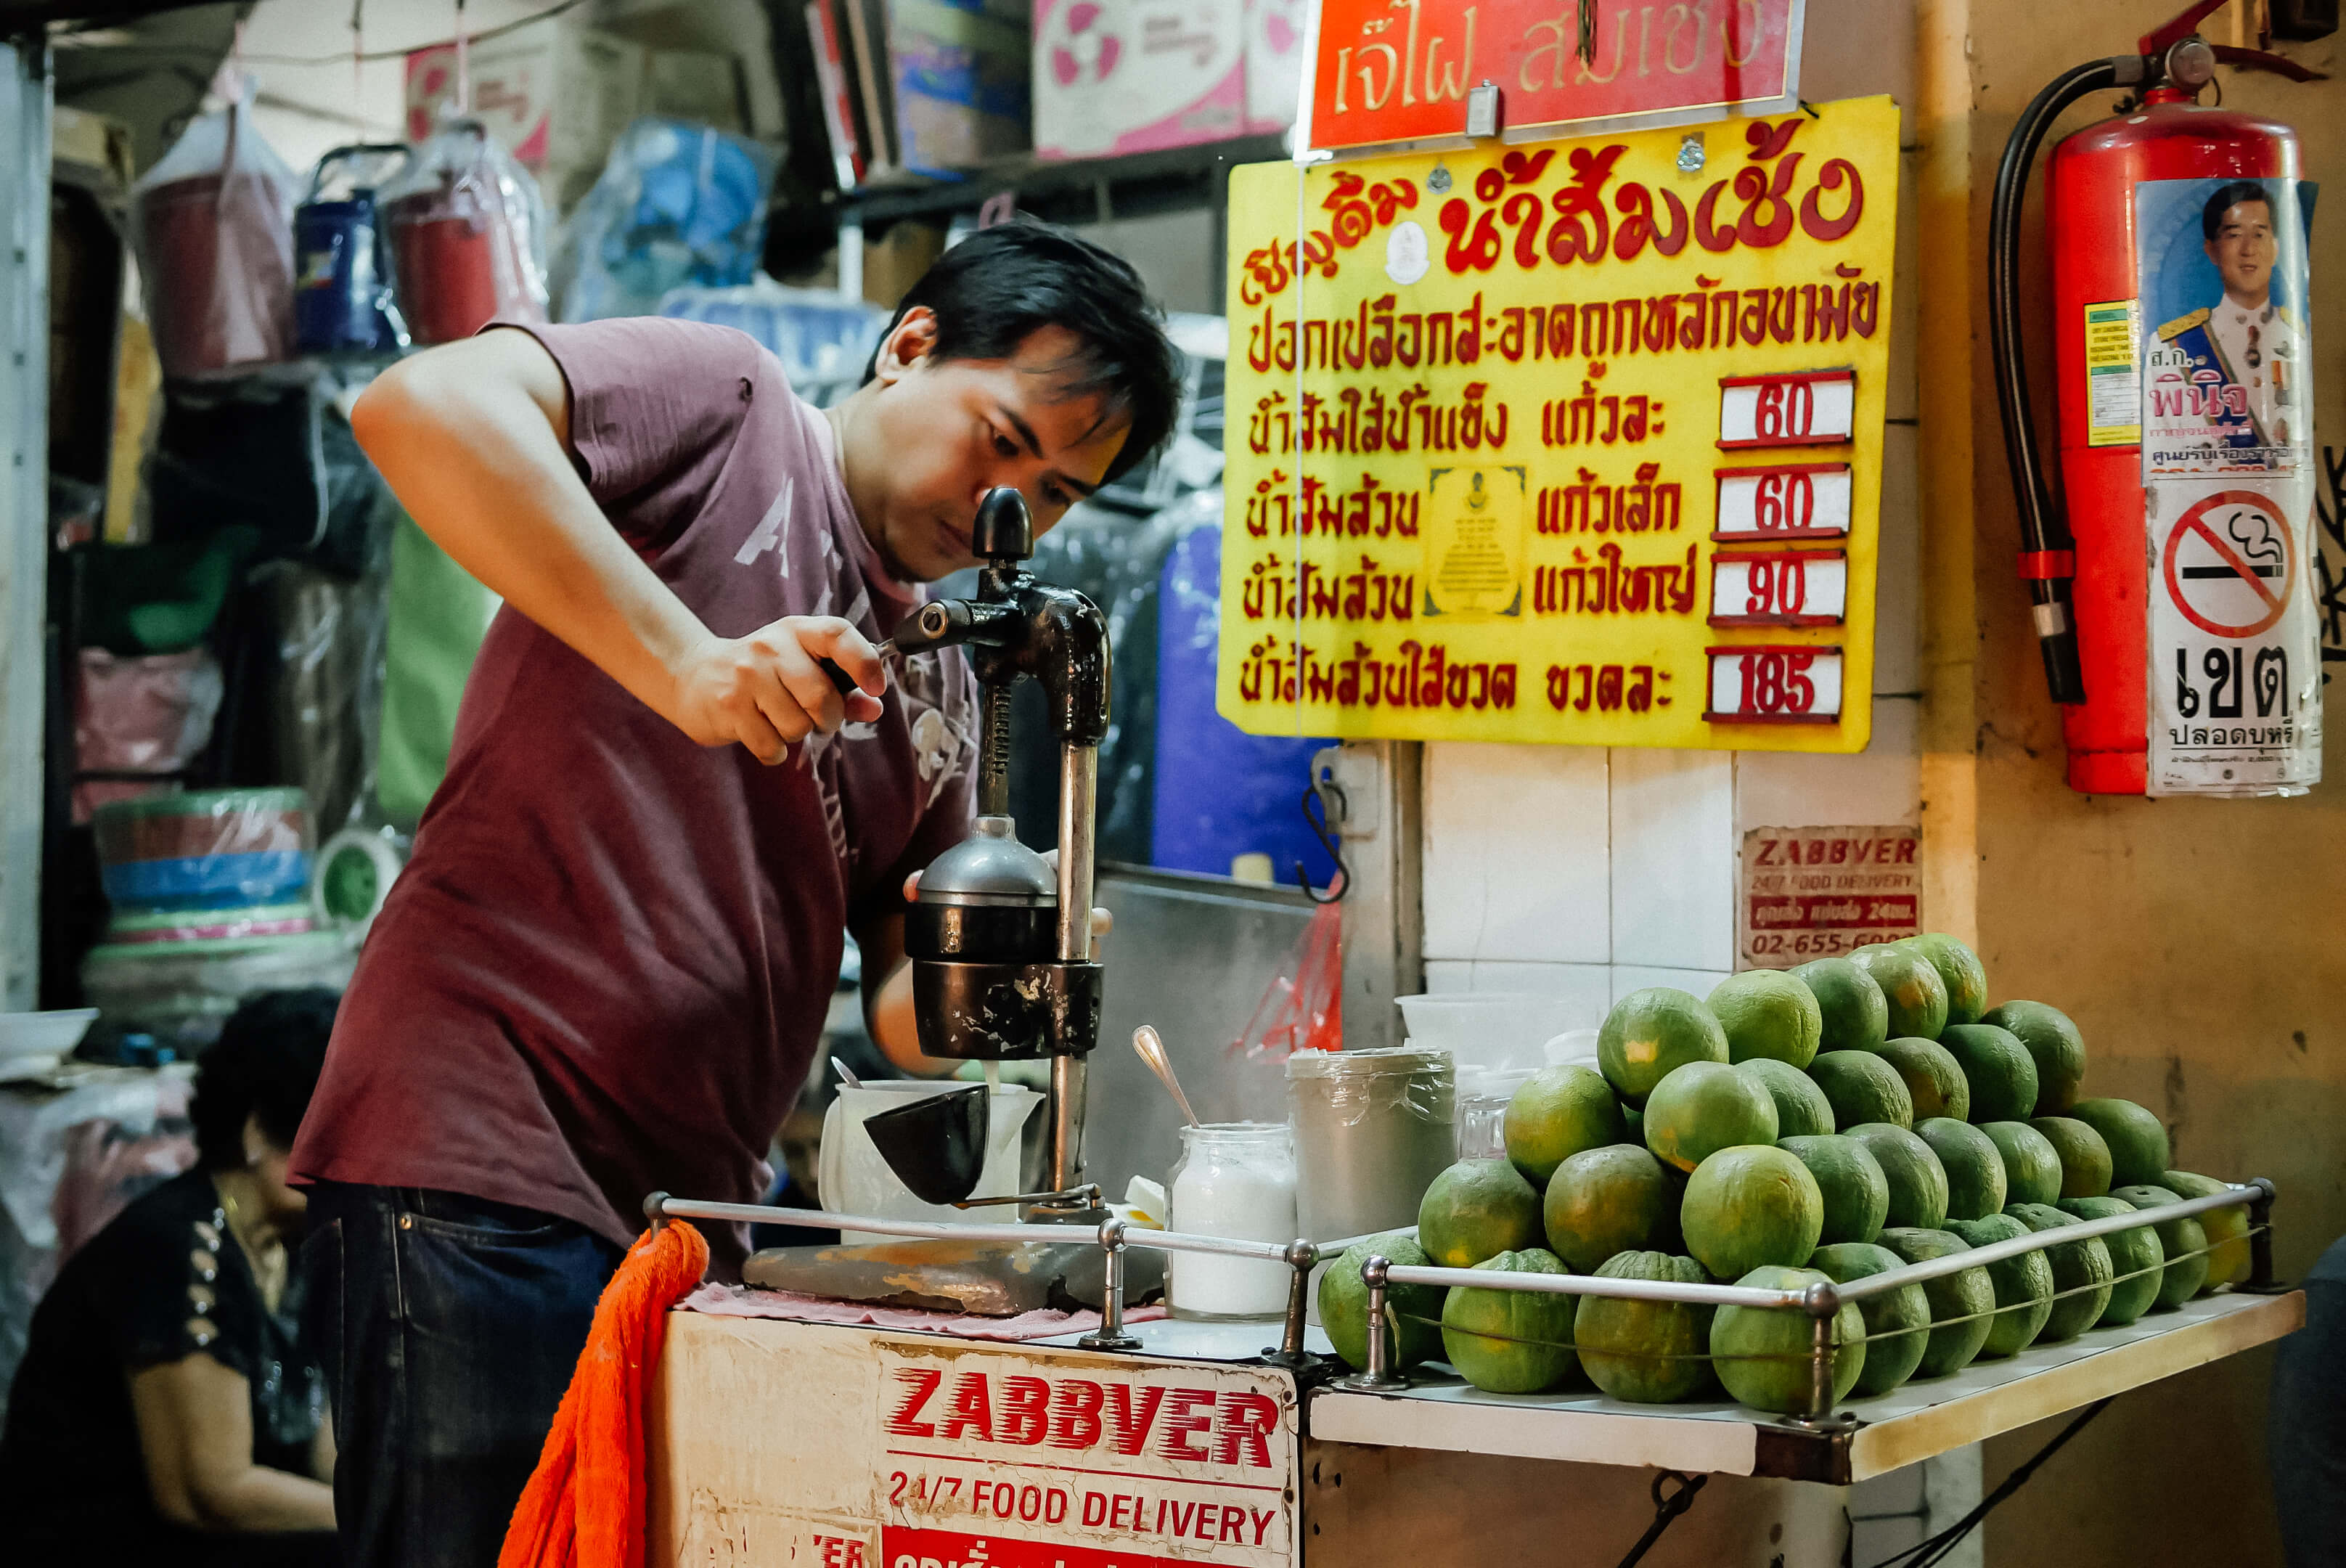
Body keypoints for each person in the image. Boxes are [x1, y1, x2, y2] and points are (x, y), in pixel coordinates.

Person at [288, 221, 1178, 1568]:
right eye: (1000, 442)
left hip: (689, 1214)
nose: (1007, 512)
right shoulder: (731, 406)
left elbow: (893, 1008)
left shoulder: (934, 676)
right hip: (478, 1149)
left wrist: (995, 972)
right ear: (910, 347)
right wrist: (686, 662)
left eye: (1053, 496)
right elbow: (414, 407)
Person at [0, 988, 340, 1566]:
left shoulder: (299, 1248)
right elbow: (211, 1494)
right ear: (258, 1132)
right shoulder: (177, 1250)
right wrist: (384, 1526)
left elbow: (327, 1452)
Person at [2154, 179, 2302, 458]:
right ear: (2211, 250)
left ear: (2277, 248)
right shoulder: (2170, 348)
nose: (2249, 249)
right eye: (2234, 235)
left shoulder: (2298, 339)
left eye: (2259, 234)